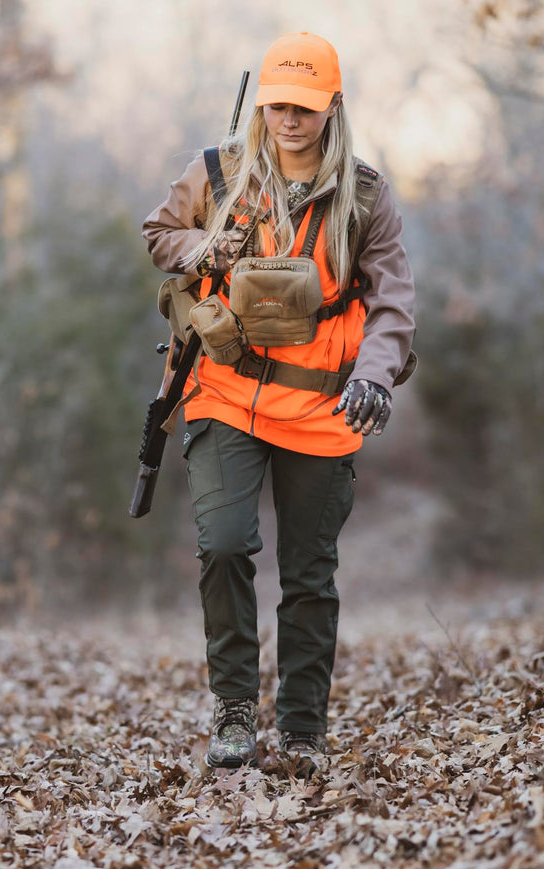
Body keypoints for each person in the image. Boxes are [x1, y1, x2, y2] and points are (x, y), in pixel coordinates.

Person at [141, 31, 416, 773]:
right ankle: (233, 710)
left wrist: (374, 377)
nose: (288, 119)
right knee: (224, 544)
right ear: (260, 103)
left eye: (302, 106)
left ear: (331, 106)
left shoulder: (364, 195)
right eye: (276, 105)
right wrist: (204, 249)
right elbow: (158, 234)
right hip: (223, 392)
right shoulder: (216, 171)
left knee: (308, 574)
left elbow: (392, 304)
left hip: (323, 407)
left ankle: (301, 728)